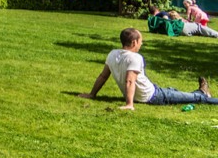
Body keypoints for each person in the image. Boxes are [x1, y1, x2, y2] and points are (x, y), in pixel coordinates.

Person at [78, 27, 218, 109]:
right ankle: (203, 94)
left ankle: (201, 91)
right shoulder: (135, 58)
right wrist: (129, 104)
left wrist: (92, 94)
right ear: (134, 42)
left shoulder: (112, 54)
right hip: (152, 96)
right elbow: (130, 81)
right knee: (194, 98)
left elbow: (103, 76)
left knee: (174, 92)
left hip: (152, 90)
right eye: (140, 42)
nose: (141, 44)